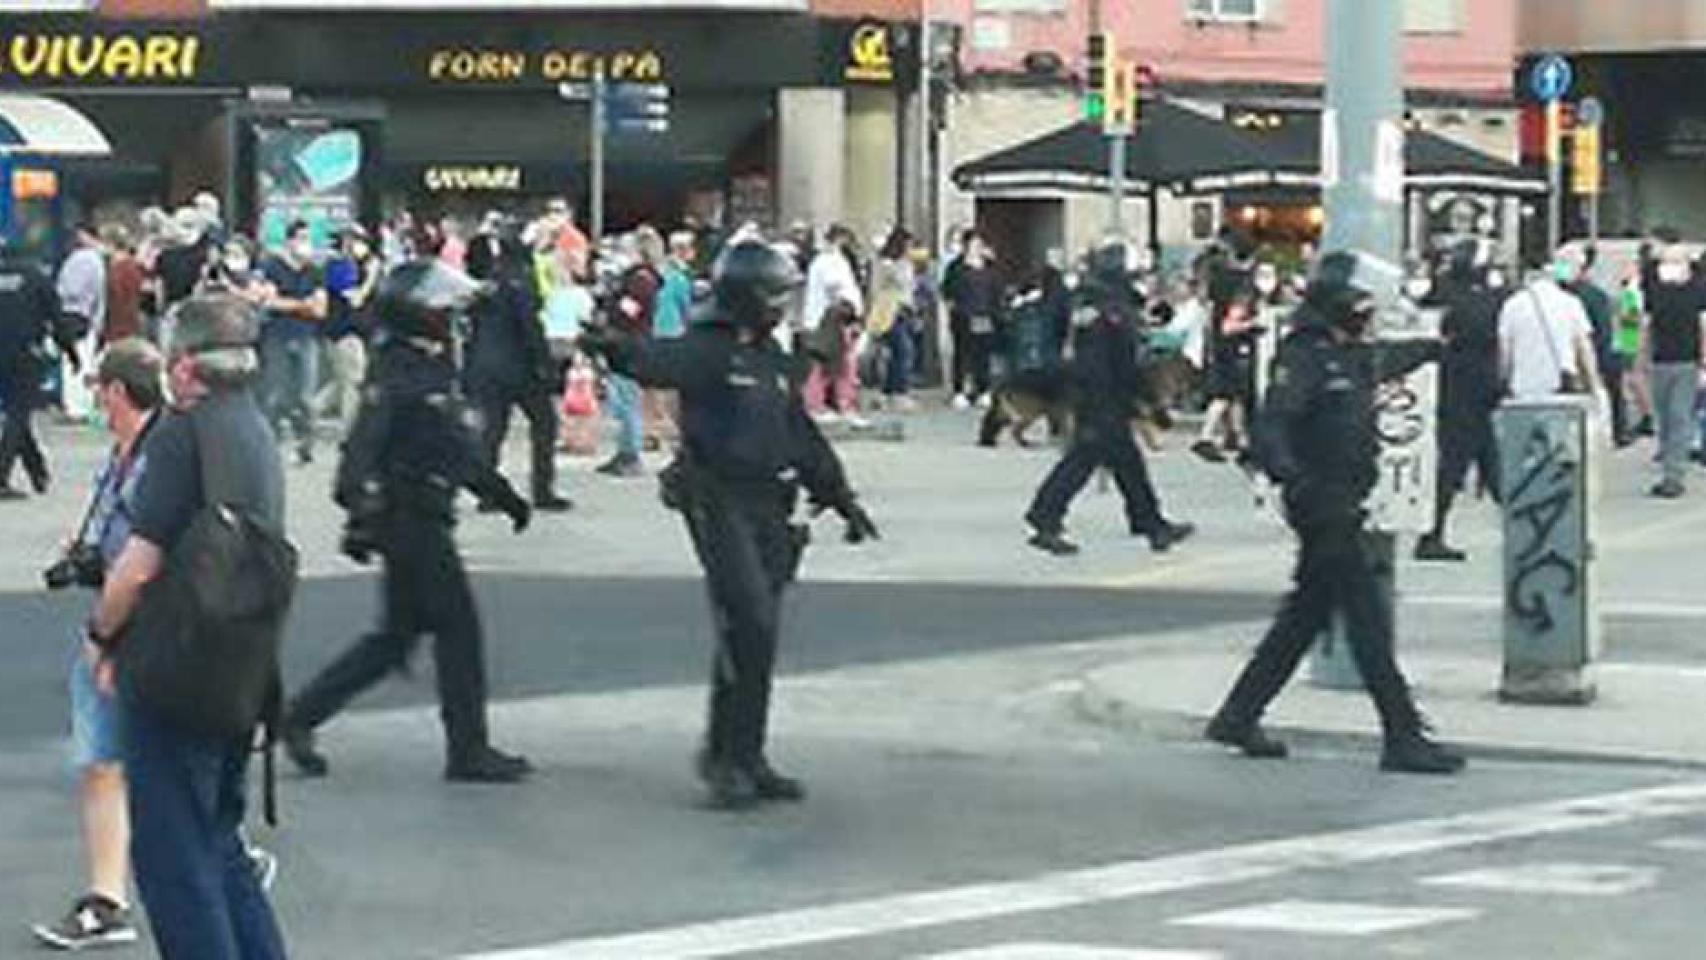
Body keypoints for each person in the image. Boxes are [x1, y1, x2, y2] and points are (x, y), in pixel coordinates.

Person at [580, 239, 879, 809]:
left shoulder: (771, 356)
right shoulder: (709, 349)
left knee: (755, 635)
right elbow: (656, 361)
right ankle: (726, 761)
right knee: (750, 618)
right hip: (718, 497)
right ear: (746, 297)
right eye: (773, 295)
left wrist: (840, 495)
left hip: (774, 502)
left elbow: (800, 433)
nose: (781, 306)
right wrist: (614, 347)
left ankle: (743, 753)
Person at [84, 292, 288, 959]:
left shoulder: (182, 435)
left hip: (177, 664)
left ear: (185, 365)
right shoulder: (256, 430)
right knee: (221, 843)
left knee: (175, 861)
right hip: (245, 662)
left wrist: (102, 635)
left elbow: (138, 568)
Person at [1206, 251, 1464, 776]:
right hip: (1324, 506)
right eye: (1363, 309)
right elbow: (1273, 426)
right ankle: (1403, 734)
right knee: (1367, 622)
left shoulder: (1345, 353)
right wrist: (1294, 480)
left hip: (1343, 501)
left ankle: (1238, 714)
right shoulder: (1304, 357)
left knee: (1304, 617)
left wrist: (1434, 348)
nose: (1368, 319)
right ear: (1341, 308)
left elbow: (1382, 364)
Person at [283, 256, 536, 784]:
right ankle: (468, 750)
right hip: (410, 517)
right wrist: (360, 510)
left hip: (420, 512)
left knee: (394, 638)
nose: (452, 318)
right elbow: (363, 451)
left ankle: (299, 716)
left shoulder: (423, 365)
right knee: (458, 630)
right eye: (443, 310)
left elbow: (454, 450)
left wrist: (499, 492)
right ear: (418, 315)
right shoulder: (402, 373)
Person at [32, 339, 162, 951]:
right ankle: (110, 895)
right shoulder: (129, 455)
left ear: (114, 391)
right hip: (134, 621)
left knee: (118, 761)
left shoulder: (152, 460)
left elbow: (141, 560)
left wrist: (105, 636)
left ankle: (113, 898)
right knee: (113, 764)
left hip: (134, 627)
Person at [1022, 241, 1196, 557]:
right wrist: (1142, 398)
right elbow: (1119, 361)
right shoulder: (1110, 309)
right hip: (1102, 397)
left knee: (1128, 463)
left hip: (1098, 394)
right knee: (1081, 461)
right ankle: (1044, 517)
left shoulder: (1093, 302)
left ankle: (1150, 523)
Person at [465, 227, 571, 512]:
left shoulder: (490, 281)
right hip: (519, 368)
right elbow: (529, 326)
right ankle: (542, 489)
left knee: (493, 430)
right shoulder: (520, 280)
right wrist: (545, 365)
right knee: (545, 423)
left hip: (486, 365)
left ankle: (488, 493)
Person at [1416, 241, 1505, 563]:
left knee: (1489, 462)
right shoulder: (1473, 298)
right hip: (1467, 387)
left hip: (1462, 386)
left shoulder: (1443, 292)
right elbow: (1483, 326)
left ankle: (1434, 531)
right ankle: (1431, 533)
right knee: (1457, 463)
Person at [1639, 241, 1706, 498]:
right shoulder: (1656, 291)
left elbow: (1703, 327)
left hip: (1685, 361)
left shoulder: (1698, 290)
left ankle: (1673, 475)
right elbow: (1645, 322)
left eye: (1676, 262)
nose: (1670, 268)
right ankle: (1670, 467)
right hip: (1661, 360)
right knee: (1666, 418)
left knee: (1678, 417)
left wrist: (1703, 360)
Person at [259, 220, 328, 465]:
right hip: (277, 337)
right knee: (274, 395)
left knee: (305, 397)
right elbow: (268, 301)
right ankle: (270, 448)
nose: (305, 244)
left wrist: (287, 303)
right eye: (301, 238)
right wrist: (302, 305)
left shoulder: (315, 271)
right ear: (289, 241)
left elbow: (320, 309)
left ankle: (305, 446)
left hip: (306, 337)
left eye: (308, 239)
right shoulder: (272, 267)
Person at [597, 227, 664, 477]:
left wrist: (613, 300)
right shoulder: (634, 277)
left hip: (632, 343)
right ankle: (623, 451)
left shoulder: (641, 279)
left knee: (628, 401)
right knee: (621, 399)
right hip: (627, 341)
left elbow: (630, 311)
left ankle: (631, 455)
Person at [1498, 251, 1601, 403]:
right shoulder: (1570, 303)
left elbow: (1505, 353)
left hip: (1523, 388)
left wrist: (1504, 381)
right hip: (1561, 386)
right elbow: (1584, 350)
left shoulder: (1511, 305)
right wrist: (1594, 387)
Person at [0, 240, 60, 499]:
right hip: (25, 353)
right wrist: (71, 351)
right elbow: (56, 317)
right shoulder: (35, 277)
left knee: (17, 414)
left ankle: (37, 469)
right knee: (19, 411)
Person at [800, 224, 868, 424]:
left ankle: (823, 404)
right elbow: (837, 288)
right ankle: (834, 405)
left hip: (825, 319)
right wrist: (852, 313)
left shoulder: (824, 261)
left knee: (827, 366)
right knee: (838, 366)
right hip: (831, 321)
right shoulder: (831, 261)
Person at [318, 225, 381, 431]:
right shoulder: (338, 265)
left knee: (339, 382)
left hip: (358, 331)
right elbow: (355, 298)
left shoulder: (358, 265)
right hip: (343, 332)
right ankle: (351, 428)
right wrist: (371, 277)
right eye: (353, 241)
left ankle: (305, 414)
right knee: (353, 381)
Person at [944, 234, 1002, 410]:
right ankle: (959, 391)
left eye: (979, 244)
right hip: (963, 316)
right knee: (962, 353)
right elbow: (948, 290)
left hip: (985, 315)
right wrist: (954, 307)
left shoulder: (990, 268)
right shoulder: (956, 267)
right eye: (973, 244)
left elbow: (997, 289)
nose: (977, 247)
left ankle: (983, 390)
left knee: (982, 354)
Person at [56, 223, 107, 421]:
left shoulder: (79, 259)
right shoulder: (98, 259)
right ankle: (84, 405)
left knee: (72, 363)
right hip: (88, 317)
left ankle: (75, 407)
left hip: (73, 314)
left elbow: (68, 289)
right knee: (86, 361)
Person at [867, 227, 917, 411]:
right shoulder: (886, 263)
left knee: (898, 352)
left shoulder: (907, 263)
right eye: (908, 244)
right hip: (890, 310)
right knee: (904, 351)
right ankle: (898, 392)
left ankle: (887, 392)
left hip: (905, 309)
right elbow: (879, 286)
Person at [101, 225, 146, 348]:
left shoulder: (118, 268)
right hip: (131, 319)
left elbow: (115, 295)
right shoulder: (133, 264)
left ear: (110, 243)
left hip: (117, 323)